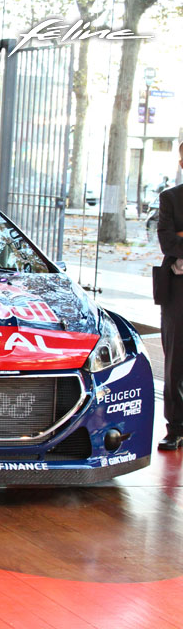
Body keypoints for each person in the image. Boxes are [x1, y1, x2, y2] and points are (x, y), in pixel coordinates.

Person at [157, 143, 183, 450]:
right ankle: (176, 426)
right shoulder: (171, 198)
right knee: (176, 360)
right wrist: (176, 237)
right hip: (178, 291)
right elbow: (168, 243)